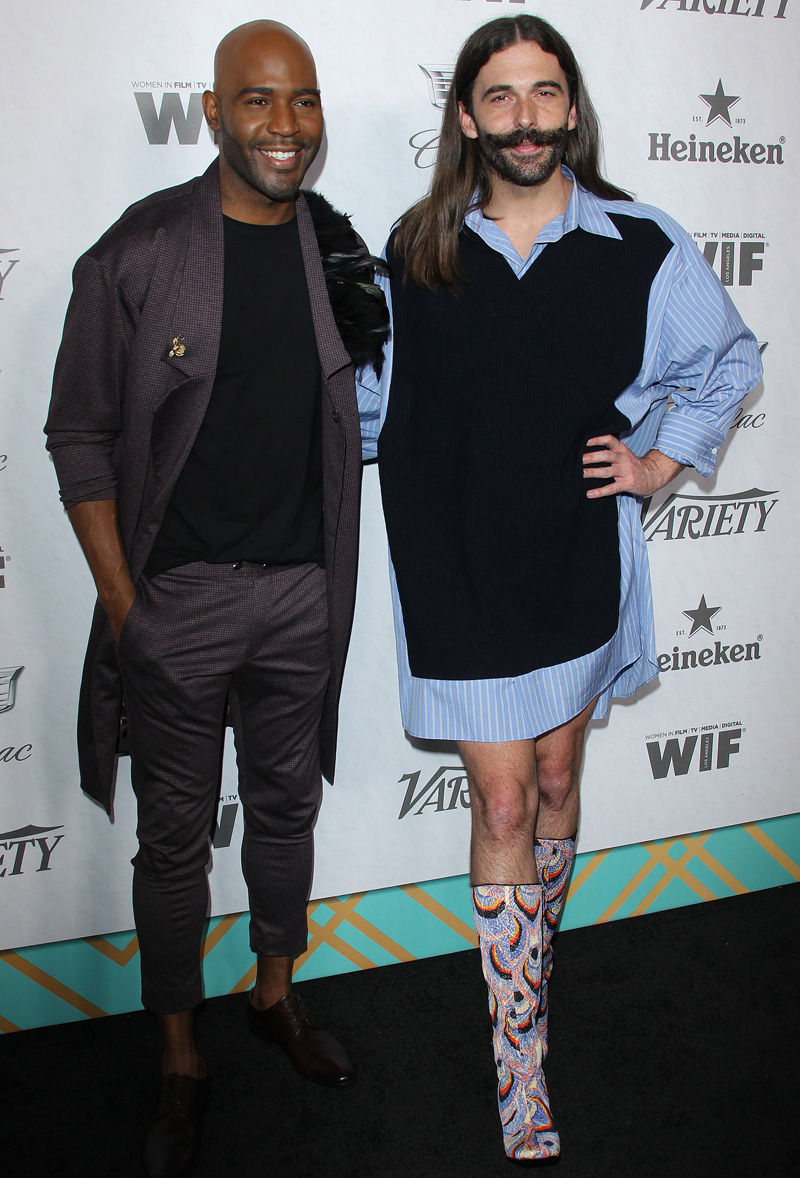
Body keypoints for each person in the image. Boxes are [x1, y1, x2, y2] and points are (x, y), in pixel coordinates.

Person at [358, 13, 761, 1163]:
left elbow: (725, 359)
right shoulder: (410, 247)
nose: (524, 118)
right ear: (466, 115)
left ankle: (529, 955)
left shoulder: (638, 241)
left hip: (578, 553)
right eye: (500, 96)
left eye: (545, 94)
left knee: (552, 774)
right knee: (499, 805)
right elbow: (365, 406)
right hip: (454, 562)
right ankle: (518, 1059)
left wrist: (658, 462)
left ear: (570, 110)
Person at [45, 20, 388, 1178]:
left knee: (287, 817)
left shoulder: (334, 254)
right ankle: (180, 1052)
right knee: (173, 844)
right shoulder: (140, 251)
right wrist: (125, 602)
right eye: (258, 102)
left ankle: (273, 992)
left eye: (302, 102)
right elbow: (78, 436)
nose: (284, 126)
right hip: (176, 603)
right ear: (212, 113)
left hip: (304, 597)